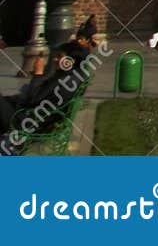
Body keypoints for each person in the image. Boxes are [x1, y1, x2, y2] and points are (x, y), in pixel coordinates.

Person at [0, 18, 97, 154]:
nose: (55, 59)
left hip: (27, 121)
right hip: (33, 116)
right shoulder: (72, 76)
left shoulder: (64, 81)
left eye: (59, 57)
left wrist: (38, 73)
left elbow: (33, 98)